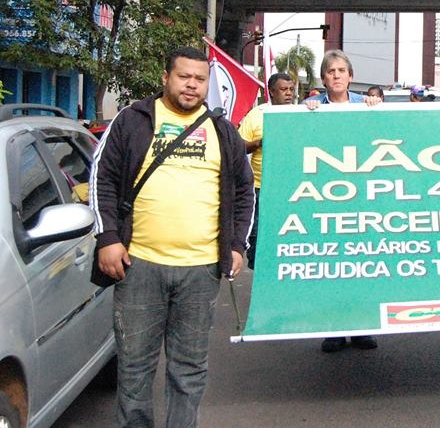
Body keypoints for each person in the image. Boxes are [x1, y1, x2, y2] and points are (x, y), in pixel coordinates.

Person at [90, 46, 254, 427]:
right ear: (166, 78)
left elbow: (244, 190)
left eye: (200, 79)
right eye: (184, 76)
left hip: (200, 271)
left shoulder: (222, 131)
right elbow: (102, 177)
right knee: (134, 369)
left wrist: (236, 246)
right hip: (139, 266)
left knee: (189, 370)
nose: (191, 85)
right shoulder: (133, 121)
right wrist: (108, 237)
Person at [306, 50, 380, 352]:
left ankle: (362, 327)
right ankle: (334, 328)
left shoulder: (368, 105)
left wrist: (378, 109)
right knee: (331, 266)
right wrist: (305, 114)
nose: (336, 76)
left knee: (362, 264)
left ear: (351, 76)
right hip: (327, 198)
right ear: (324, 78)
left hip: (362, 198)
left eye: (341, 70)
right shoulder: (311, 107)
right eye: (330, 71)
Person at [238, 72, 296, 269]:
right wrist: (258, 143)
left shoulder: (300, 113)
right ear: (271, 92)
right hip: (260, 188)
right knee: (258, 233)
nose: (289, 93)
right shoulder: (257, 115)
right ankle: (259, 272)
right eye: (283, 89)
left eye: (291, 89)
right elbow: (239, 146)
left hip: (292, 188)